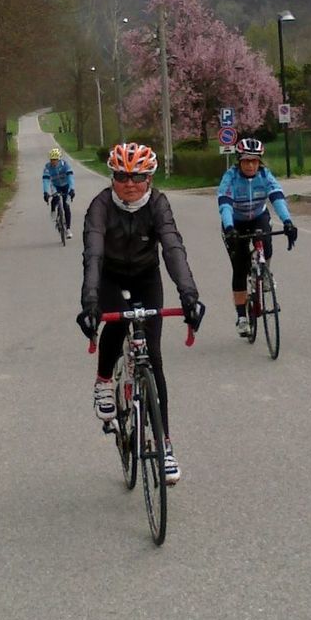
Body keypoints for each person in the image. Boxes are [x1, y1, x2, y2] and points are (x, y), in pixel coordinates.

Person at [77, 142, 205, 485]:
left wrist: (189, 296)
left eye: (138, 177)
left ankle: (165, 446)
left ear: (150, 178)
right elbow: (93, 254)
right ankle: (105, 380)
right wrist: (90, 303)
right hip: (110, 276)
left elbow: (172, 247)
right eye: (122, 176)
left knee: (154, 357)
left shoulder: (158, 204)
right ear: (112, 177)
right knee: (118, 322)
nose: (130, 184)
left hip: (147, 276)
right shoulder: (101, 206)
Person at [217, 137, 297, 338]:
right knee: (240, 267)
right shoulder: (231, 177)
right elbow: (225, 204)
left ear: (259, 162)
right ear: (239, 161)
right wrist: (229, 228)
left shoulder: (264, 175)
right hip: (235, 222)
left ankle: (265, 273)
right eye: (246, 161)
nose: (250, 165)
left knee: (266, 243)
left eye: (254, 161)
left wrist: (287, 221)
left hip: (258, 216)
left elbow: (277, 197)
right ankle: (242, 317)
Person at [41, 146, 75, 232]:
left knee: (66, 206)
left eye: (55, 159)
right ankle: (53, 210)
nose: (53, 161)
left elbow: (70, 177)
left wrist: (72, 189)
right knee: (55, 198)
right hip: (55, 185)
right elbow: (46, 180)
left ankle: (68, 229)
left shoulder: (65, 165)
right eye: (52, 160)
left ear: (59, 159)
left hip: (66, 185)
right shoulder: (47, 167)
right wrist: (45, 192)